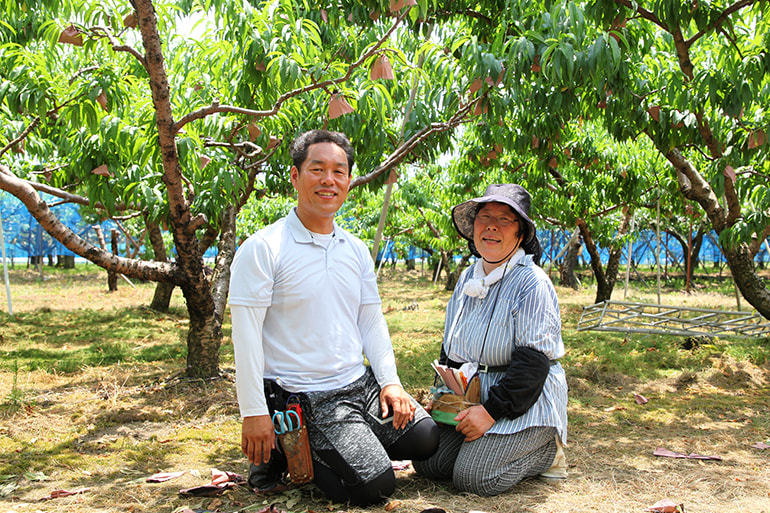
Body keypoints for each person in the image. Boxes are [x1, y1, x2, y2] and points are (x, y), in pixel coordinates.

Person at [228, 130, 439, 506]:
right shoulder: (264, 248)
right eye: (317, 169)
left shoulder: (354, 249)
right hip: (306, 396)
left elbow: (371, 321)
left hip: (360, 385)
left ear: (348, 181)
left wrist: (390, 382)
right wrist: (254, 413)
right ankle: (285, 446)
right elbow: (245, 336)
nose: (329, 180)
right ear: (295, 177)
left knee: (425, 438)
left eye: (339, 171)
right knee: (376, 486)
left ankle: (333, 445)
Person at [413, 183, 568, 496]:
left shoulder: (530, 283)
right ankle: (482, 450)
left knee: (475, 479)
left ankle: (546, 451)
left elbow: (533, 363)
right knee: (428, 463)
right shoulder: (469, 278)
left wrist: (490, 413)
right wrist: (443, 397)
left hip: (524, 399)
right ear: (473, 228)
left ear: (520, 234)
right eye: (485, 217)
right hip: (473, 395)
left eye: (505, 219)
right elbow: (450, 350)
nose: (492, 226)